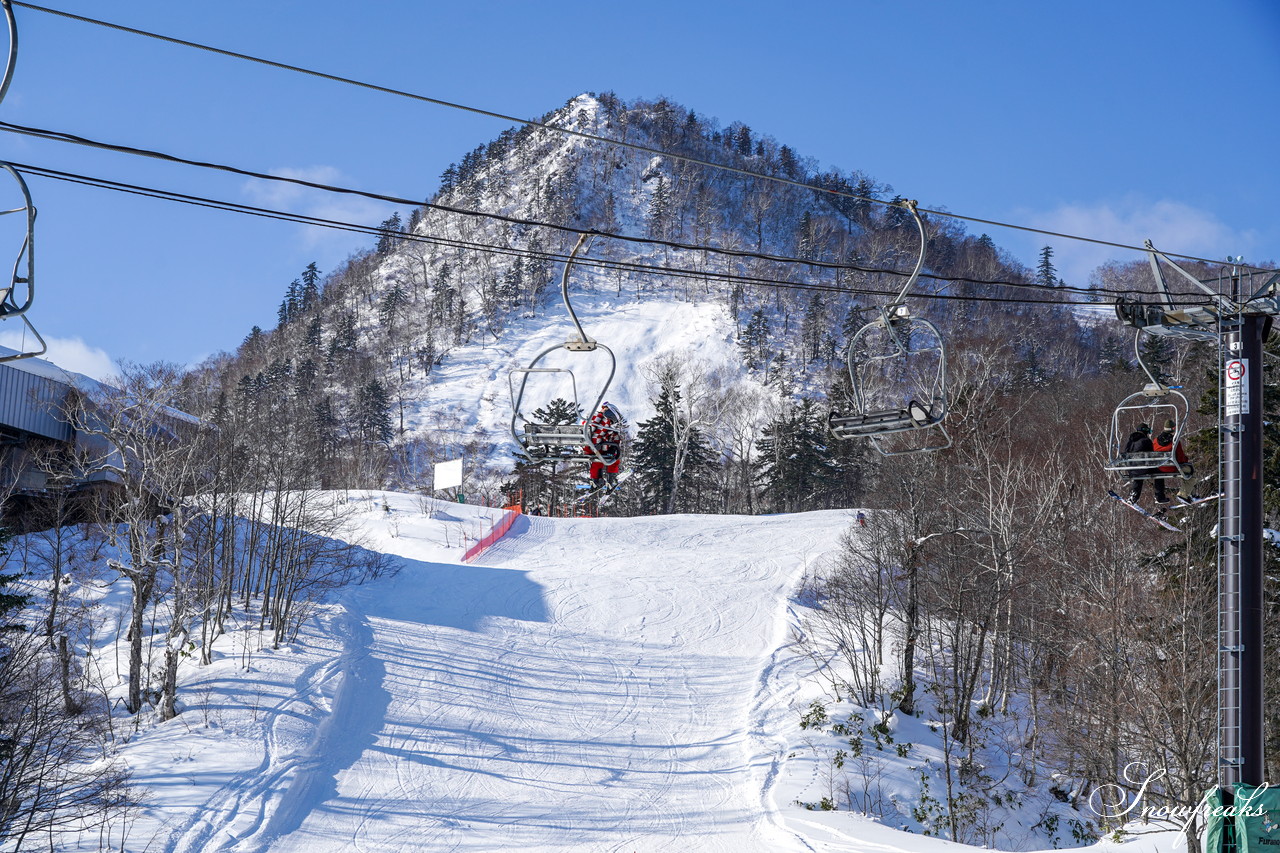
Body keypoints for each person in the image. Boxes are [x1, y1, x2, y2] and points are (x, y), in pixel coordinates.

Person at [1124, 422, 1167, 505]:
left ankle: (1133, 496)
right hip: (1143, 467)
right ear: (1146, 431)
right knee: (1159, 472)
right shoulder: (1146, 441)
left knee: (1138, 474)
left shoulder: (1130, 441)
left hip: (1131, 469)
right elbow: (1151, 455)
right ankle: (1160, 496)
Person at [585, 401, 623, 487]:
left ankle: (596, 479)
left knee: (597, 461)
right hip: (598, 447)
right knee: (614, 457)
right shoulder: (604, 420)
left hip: (588, 447)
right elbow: (611, 434)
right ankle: (611, 479)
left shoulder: (590, 418)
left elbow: (591, 430)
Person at [1152, 418, 1192, 498]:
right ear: (1173, 429)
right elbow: (1180, 457)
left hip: (1159, 468)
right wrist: (1186, 461)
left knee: (1159, 474)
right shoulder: (1174, 441)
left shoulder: (1155, 441)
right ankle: (1184, 495)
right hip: (1172, 467)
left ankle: (1159, 495)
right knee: (1189, 472)